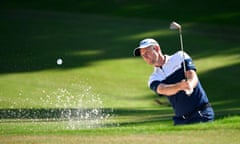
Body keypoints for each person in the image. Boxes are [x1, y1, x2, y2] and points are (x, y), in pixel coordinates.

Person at [133, 38, 214, 125]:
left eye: (146, 53)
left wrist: (189, 85)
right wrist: (180, 86)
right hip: (180, 120)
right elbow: (163, 89)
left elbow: (192, 76)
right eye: (142, 55)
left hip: (201, 113)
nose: (144, 57)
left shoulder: (179, 56)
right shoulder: (154, 78)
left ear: (156, 48)